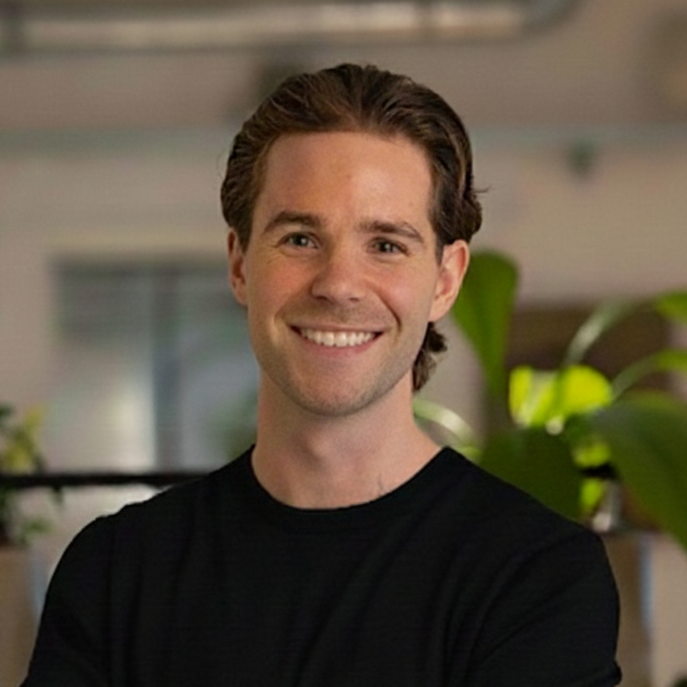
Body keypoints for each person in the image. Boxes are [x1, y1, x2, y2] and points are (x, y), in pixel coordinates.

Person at [21, 63, 621, 686]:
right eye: (301, 239)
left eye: (386, 245)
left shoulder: (535, 576)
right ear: (239, 264)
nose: (338, 285)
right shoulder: (117, 571)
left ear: (445, 280)